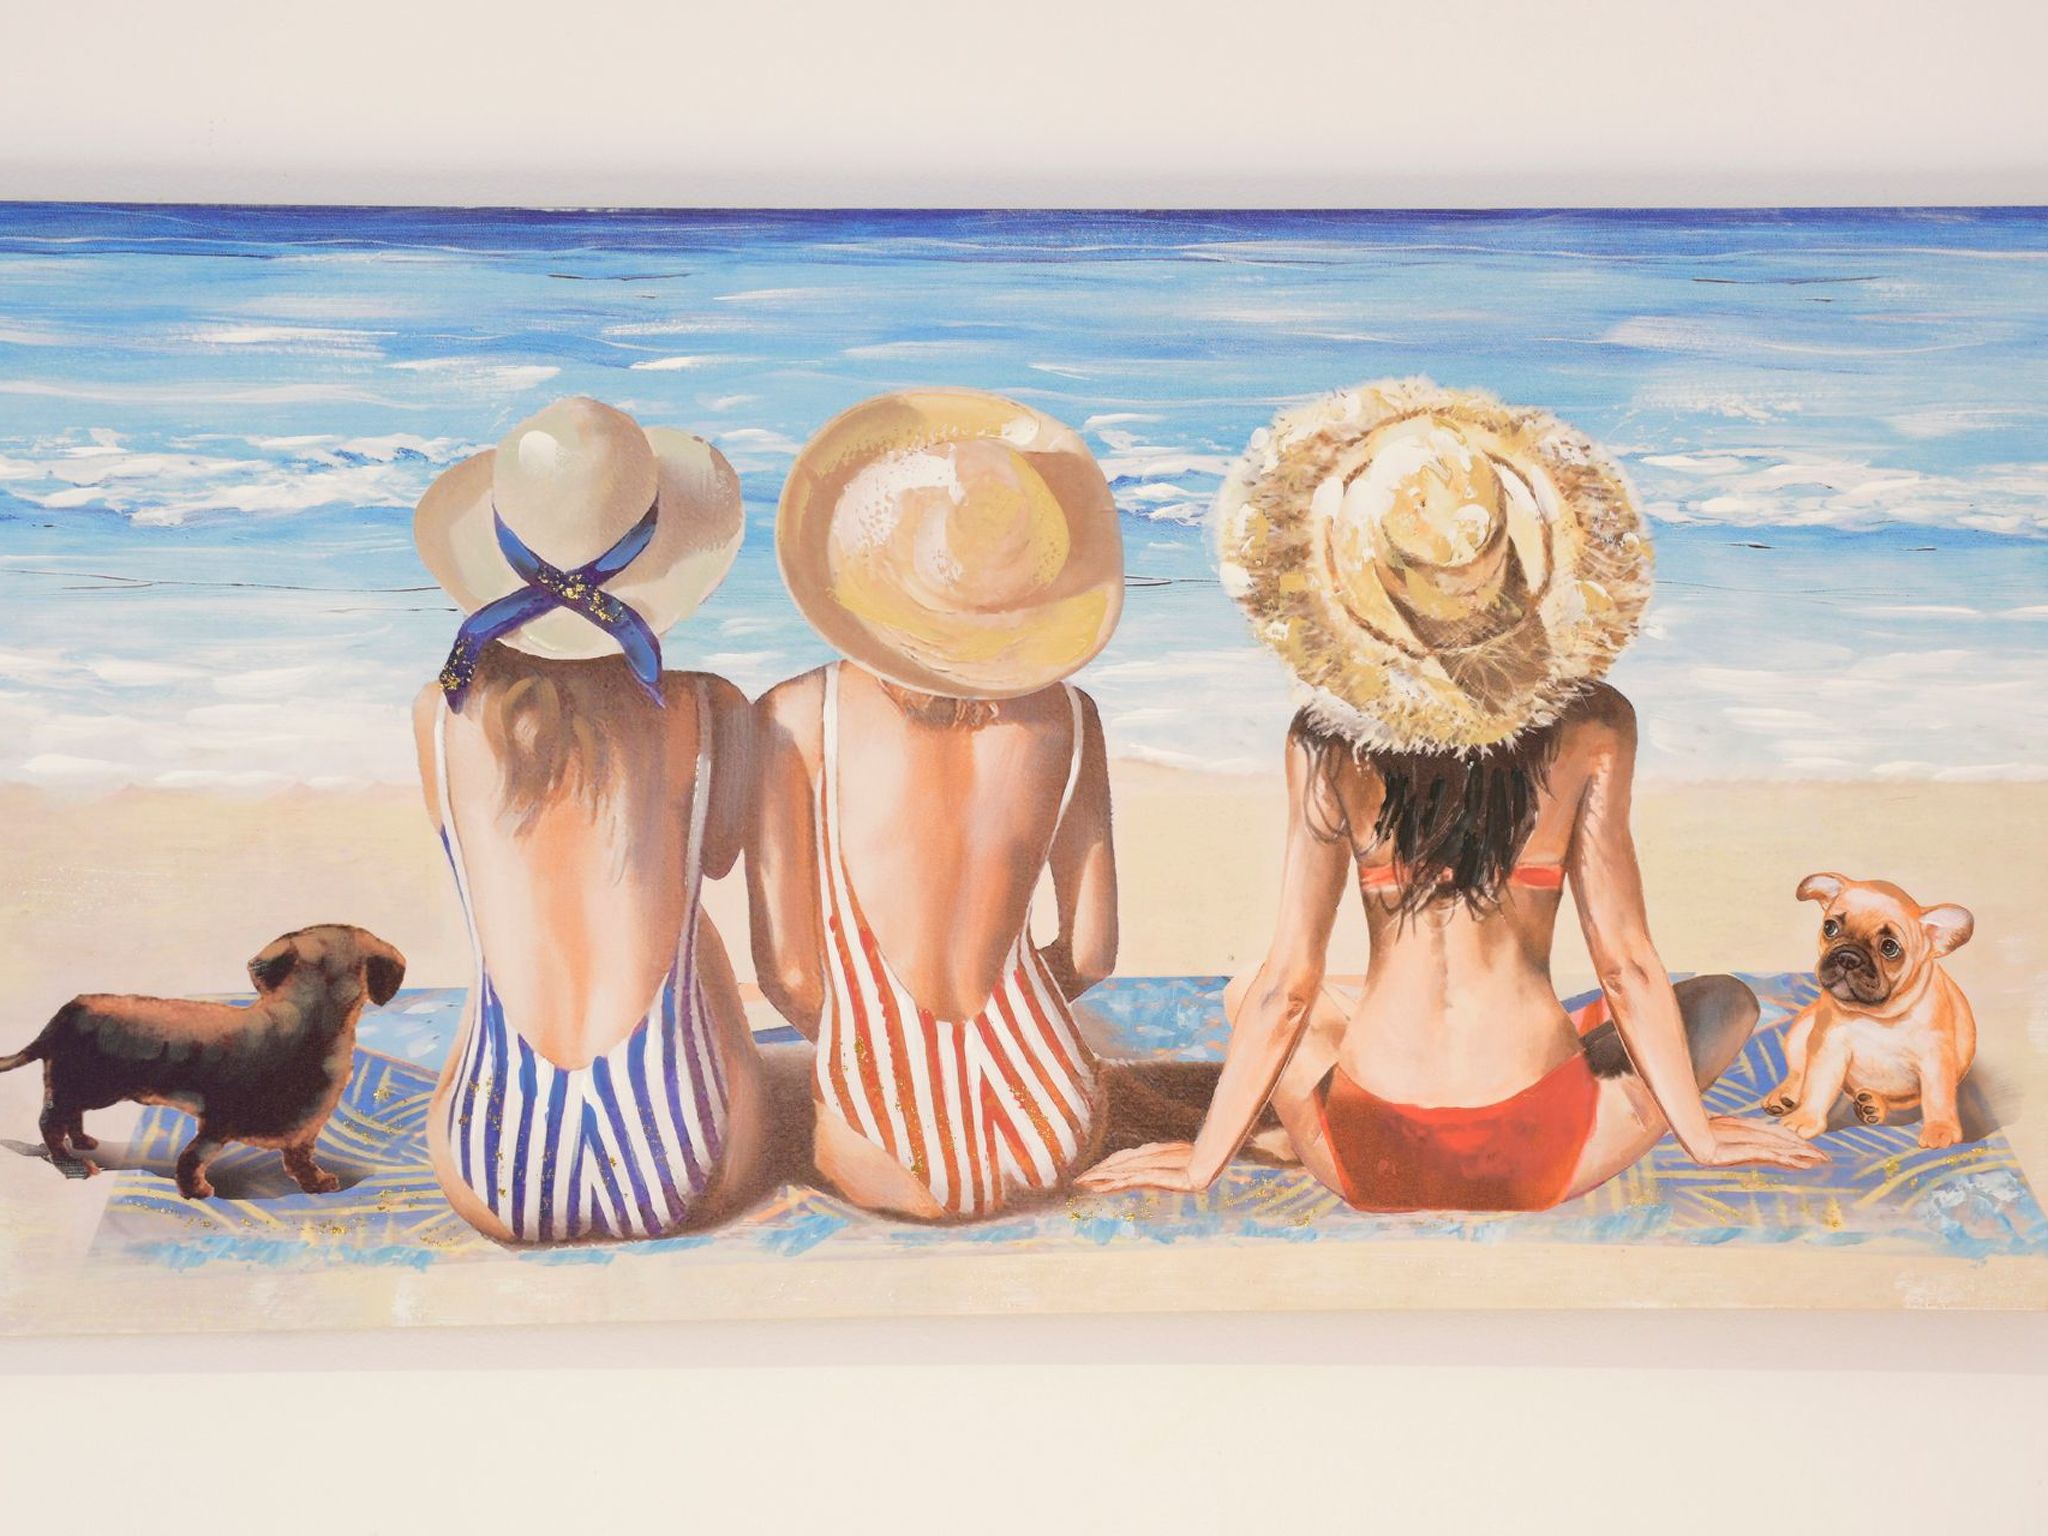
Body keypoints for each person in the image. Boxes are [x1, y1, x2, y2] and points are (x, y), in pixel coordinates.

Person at [1081, 379, 1825, 1210]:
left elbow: (1289, 987)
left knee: (1250, 984)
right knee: (1725, 1002)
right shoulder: (1594, 726)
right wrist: (1700, 1136)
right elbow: (1625, 965)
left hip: (1366, 1154)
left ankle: (1293, 1131)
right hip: (1541, 1149)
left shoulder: (1327, 743)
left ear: (1366, 588)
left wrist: (1201, 1161)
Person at [749, 388, 1122, 1221]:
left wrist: (885, 1046)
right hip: (1051, 1109)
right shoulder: (1069, 716)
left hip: (888, 1137)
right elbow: (1093, 952)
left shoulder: (796, 717)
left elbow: (793, 976)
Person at [410, 396, 770, 1243]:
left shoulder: (437, 717)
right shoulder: (710, 710)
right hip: (686, 1159)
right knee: (689, 923)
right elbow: (717, 859)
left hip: (489, 1167)